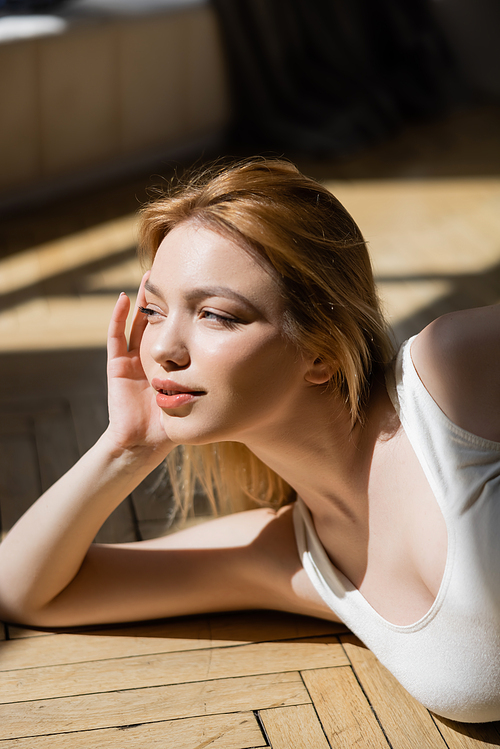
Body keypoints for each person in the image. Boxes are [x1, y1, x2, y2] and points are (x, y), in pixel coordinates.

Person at [0, 158, 499, 723]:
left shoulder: (451, 378)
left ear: (321, 350)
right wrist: (127, 447)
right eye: (154, 310)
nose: (164, 346)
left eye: (214, 314)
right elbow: (26, 590)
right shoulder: (293, 559)